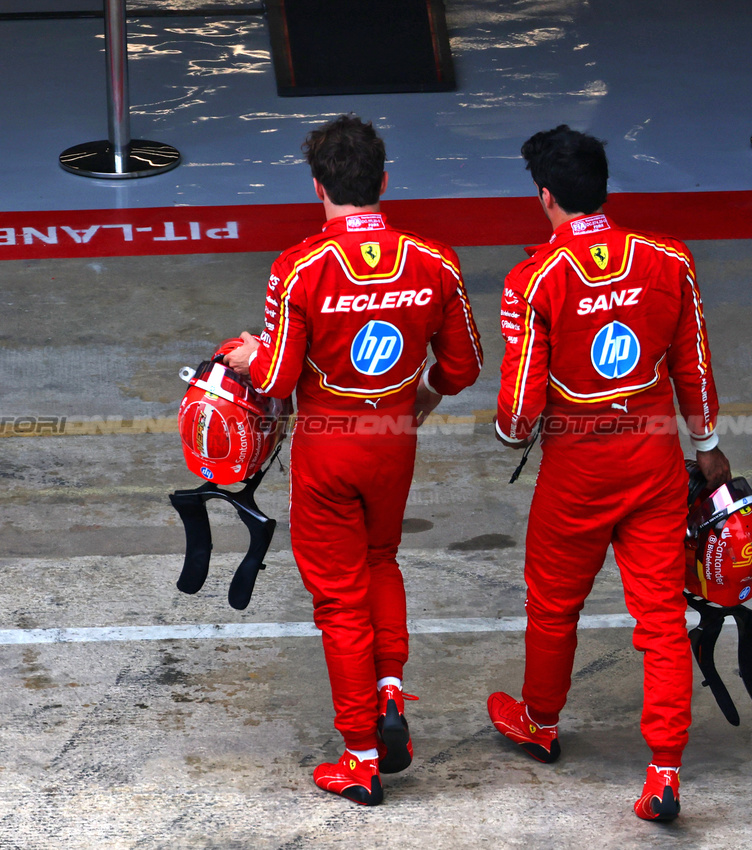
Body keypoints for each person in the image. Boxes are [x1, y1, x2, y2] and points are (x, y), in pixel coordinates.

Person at [224, 114, 483, 806]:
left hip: (327, 451)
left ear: (317, 187)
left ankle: (360, 755)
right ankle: (390, 689)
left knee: (339, 602)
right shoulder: (435, 260)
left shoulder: (298, 266)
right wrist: (417, 402)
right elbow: (463, 366)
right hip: (393, 441)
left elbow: (276, 379)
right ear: (383, 182)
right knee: (381, 560)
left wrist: (248, 357)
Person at [488, 125, 731, 821]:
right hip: (653, 464)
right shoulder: (667, 258)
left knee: (552, 605)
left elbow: (519, 408)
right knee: (661, 617)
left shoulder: (532, 278)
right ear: (602, 186)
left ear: (544, 197)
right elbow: (693, 361)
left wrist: (509, 436)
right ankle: (661, 772)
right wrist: (707, 443)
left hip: (576, 475)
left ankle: (538, 722)